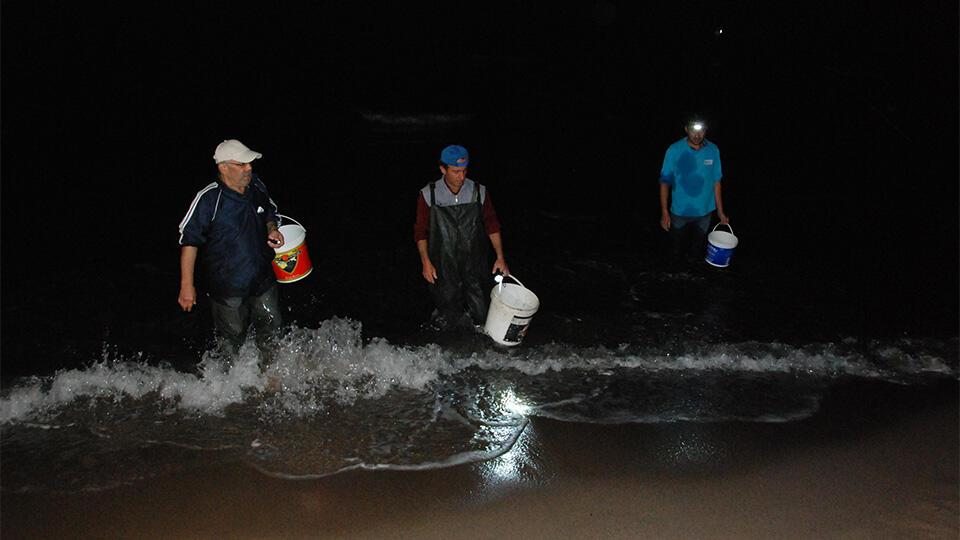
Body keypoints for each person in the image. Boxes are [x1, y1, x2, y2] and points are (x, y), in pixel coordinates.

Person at [177, 139, 285, 363]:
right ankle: (230, 390)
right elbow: (189, 242)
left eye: (250, 163)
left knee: (272, 327)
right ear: (223, 167)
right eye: (242, 164)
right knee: (231, 340)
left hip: (263, 278)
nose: (249, 168)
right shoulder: (209, 198)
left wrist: (273, 229)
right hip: (228, 285)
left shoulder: (256, 186)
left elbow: (269, 214)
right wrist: (187, 286)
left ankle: (271, 376)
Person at [414, 145, 509, 330]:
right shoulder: (429, 194)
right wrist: (425, 261)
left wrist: (500, 257)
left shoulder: (478, 191)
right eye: (456, 171)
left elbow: (492, 224)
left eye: (464, 171)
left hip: (475, 263)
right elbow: (420, 232)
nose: (462, 177)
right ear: (443, 169)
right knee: (448, 317)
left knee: (482, 315)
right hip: (443, 264)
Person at [658, 116, 729, 265]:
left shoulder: (713, 150)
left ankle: (692, 274)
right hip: (679, 211)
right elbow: (665, 182)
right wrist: (664, 212)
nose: (697, 135)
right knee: (675, 250)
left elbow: (716, 181)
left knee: (696, 250)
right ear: (686, 129)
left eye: (701, 131)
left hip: (705, 212)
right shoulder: (674, 150)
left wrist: (720, 211)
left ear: (705, 130)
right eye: (693, 131)